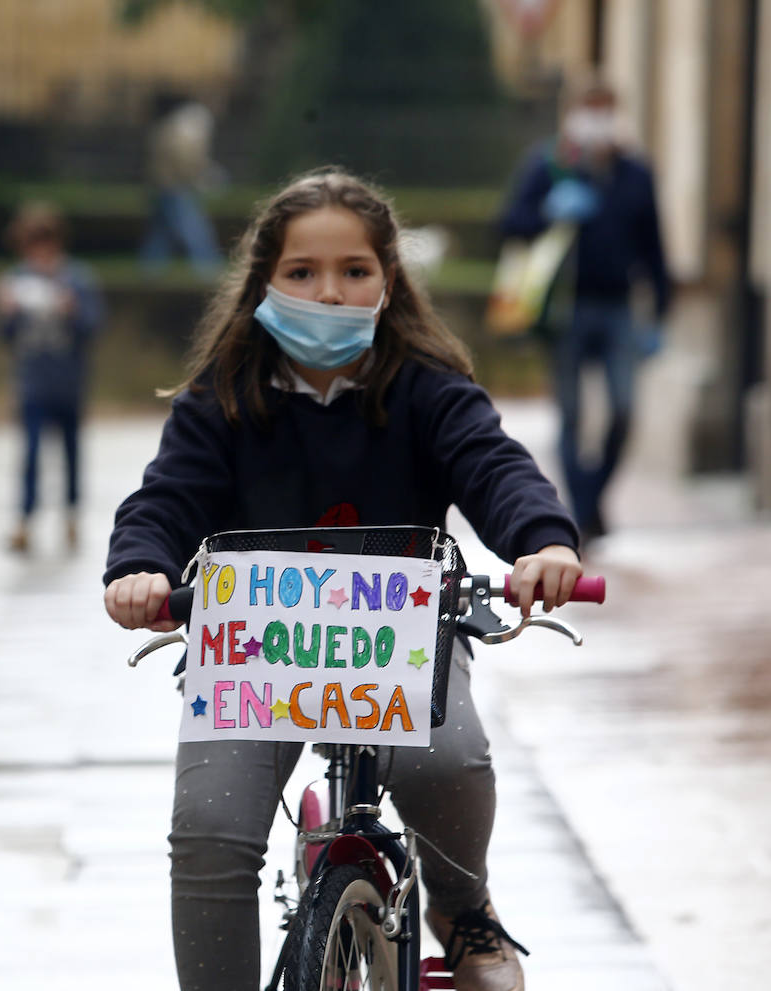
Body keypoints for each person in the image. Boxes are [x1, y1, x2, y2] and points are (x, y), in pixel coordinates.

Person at [103, 168, 584, 991]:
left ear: (388, 282)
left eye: (354, 270)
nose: (329, 291)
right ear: (265, 282)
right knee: (211, 829)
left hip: (401, 643)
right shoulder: (221, 400)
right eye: (302, 272)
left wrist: (543, 543)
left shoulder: (431, 391)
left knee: (450, 762)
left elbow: (497, 469)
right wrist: (139, 568)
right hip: (253, 652)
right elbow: (165, 500)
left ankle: (462, 909)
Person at [498, 78, 671, 543]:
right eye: (589, 109)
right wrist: (549, 213)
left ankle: (591, 498)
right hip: (566, 310)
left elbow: (654, 249)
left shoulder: (635, 172)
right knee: (572, 416)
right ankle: (583, 510)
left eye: (606, 110)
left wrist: (659, 314)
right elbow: (510, 222)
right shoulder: (549, 167)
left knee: (623, 409)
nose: (598, 120)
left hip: (618, 309)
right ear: (572, 114)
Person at [0, 202, 104, 553]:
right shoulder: (15, 280)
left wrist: (73, 310)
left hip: (69, 382)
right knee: (30, 452)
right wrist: (6, 313)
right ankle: (25, 519)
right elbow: (2, 333)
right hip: (32, 382)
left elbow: (94, 324)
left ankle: (71, 515)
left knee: (71, 451)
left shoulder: (77, 278)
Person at [139, 95, 223, 277]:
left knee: (162, 231)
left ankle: (151, 269)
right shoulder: (191, 125)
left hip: (163, 184)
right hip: (175, 186)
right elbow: (186, 159)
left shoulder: (172, 125)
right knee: (194, 228)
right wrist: (198, 178)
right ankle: (207, 268)